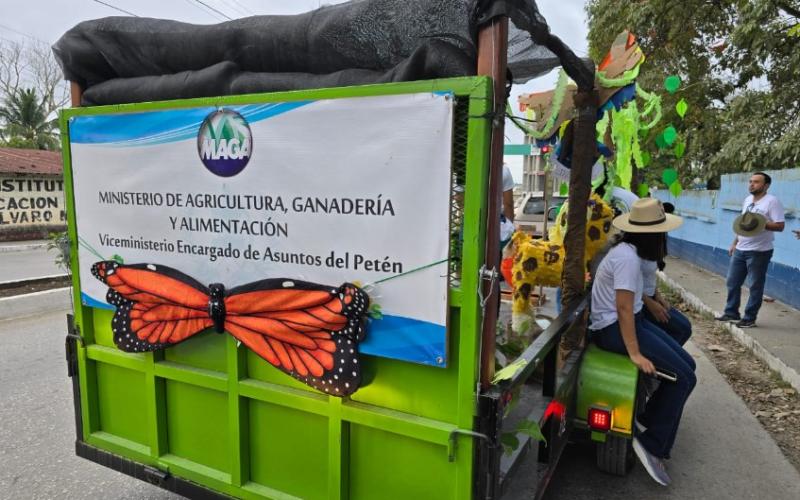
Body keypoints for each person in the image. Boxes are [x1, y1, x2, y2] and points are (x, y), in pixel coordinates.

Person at [589, 198, 695, 486]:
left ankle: (649, 417)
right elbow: (623, 308)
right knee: (684, 378)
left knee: (688, 367)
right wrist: (634, 353)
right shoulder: (627, 258)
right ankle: (652, 444)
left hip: (629, 321)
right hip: (612, 329)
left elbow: (634, 302)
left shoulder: (631, 252)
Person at [716, 172, 784, 328]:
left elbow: (780, 226)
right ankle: (731, 312)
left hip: (759, 251)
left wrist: (759, 223)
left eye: (756, 182)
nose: (751, 184)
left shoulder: (772, 202)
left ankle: (749, 318)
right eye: (750, 181)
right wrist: (734, 242)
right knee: (732, 282)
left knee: (755, 286)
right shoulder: (747, 200)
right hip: (741, 248)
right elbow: (742, 224)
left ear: (766, 185)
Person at [641, 202, 693, 346]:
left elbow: (649, 275)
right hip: (640, 302)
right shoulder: (633, 249)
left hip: (650, 296)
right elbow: (629, 284)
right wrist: (649, 302)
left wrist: (657, 295)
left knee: (685, 327)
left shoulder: (655, 240)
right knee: (681, 330)